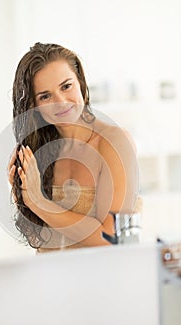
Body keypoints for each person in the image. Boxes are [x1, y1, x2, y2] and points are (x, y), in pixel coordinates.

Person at [8, 42, 139, 253]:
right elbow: (40, 238)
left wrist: (38, 202)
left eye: (66, 86)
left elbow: (112, 237)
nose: (60, 102)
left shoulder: (114, 142)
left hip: (106, 280)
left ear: (80, 82)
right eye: (45, 96)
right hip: (51, 277)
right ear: (34, 105)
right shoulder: (36, 152)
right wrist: (22, 196)